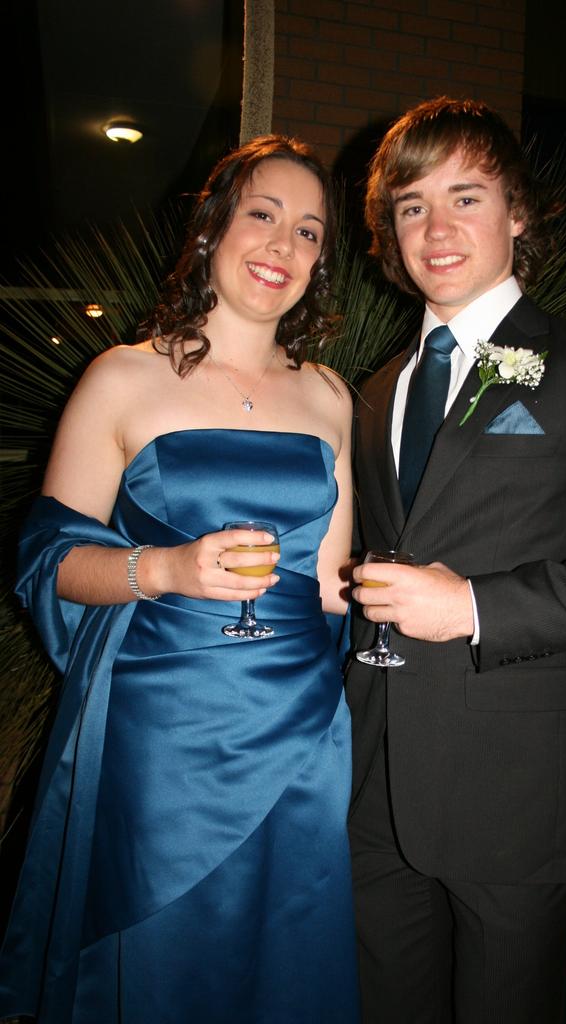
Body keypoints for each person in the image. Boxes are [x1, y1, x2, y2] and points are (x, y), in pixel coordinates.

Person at [346, 97, 566, 1023]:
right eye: (412, 204)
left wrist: (474, 606)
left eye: (467, 197)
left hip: (512, 790)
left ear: (519, 213)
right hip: (376, 780)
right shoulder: (380, 386)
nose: (437, 227)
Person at [0, 135, 360, 1023]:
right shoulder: (123, 377)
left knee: (286, 955)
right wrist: (165, 567)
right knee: (160, 963)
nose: (283, 246)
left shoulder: (328, 395)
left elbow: (324, 587)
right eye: (263, 216)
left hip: (303, 726)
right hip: (160, 734)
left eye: (309, 232)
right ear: (214, 228)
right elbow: (49, 562)